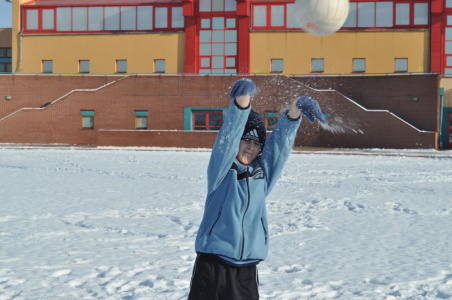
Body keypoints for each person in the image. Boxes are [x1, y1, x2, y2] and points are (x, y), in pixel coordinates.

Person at [188, 78, 326, 300]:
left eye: (256, 144)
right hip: (212, 263)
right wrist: (242, 104)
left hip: (247, 268)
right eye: (246, 141)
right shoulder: (222, 171)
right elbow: (229, 136)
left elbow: (279, 146)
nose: (250, 147)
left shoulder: (262, 175)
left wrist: (294, 110)